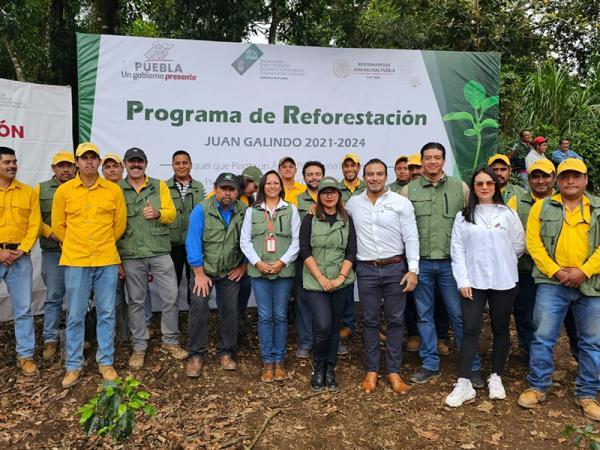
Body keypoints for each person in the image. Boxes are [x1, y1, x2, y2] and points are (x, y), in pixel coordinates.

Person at [518, 159, 600, 421]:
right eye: (565, 176)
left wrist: (583, 271)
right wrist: (556, 271)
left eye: (576, 176)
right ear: (558, 180)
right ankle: (537, 386)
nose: (570, 181)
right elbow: (533, 243)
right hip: (552, 283)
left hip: (590, 283)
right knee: (543, 336)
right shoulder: (542, 206)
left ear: (586, 179)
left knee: (592, 341)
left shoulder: (597, 207)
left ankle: (587, 393)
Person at [401, 142, 483, 386]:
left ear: (444, 161)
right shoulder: (408, 191)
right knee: (424, 315)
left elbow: (473, 221)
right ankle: (430, 364)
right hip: (421, 265)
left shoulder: (460, 187)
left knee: (458, 314)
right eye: (428, 157)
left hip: (452, 265)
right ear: (422, 161)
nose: (433, 161)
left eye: (437, 157)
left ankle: (471, 366)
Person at [445, 168, 525, 407]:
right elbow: (457, 251)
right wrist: (463, 280)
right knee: (470, 329)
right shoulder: (464, 216)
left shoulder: (508, 214)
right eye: (479, 183)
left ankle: (496, 376)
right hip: (474, 282)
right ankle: (464, 382)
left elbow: (518, 245)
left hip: (504, 280)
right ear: (473, 187)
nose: (484, 187)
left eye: (489, 183)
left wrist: (502, 261)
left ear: (496, 186)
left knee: (501, 328)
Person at [51, 142, 127, 387]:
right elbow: (58, 225)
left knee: (107, 313)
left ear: (99, 162)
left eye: (94, 158)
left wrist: (102, 243)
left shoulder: (113, 191)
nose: (89, 162)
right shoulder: (64, 191)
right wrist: (77, 244)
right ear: (77, 162)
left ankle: (105, 362)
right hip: (76, 260)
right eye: (85, 158)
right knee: (75, 314)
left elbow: (119, 224)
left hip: (106, 259)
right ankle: (73, 365)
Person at [347, 158, 419, 394]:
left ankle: (394, 372)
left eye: (379, 174)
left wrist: (413, 269)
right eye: (370, 174)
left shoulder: (401, 202)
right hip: (366, 269)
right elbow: (335, 216)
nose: (374, 178)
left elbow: (411, 236)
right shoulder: (353, 203)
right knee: (369, 320)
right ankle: (371, 370)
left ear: (386, 177)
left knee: (395, 320)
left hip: (395, 268)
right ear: (364, 177)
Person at [118, 147, 188, 369]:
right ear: (125, 164)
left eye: (139, 161)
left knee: (171, 296)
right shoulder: (116, 189)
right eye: (132, 161)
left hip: (159, 251)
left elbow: (171, 213)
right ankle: (139, 346)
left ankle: (170, 341)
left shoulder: (159, 186)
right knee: (136, 301)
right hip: (131, 254)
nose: (136, 165)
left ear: (146, 164)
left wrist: (158, 213)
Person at [240, 170, 300, 383]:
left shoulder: (291, 209)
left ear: (281, 187)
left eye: (276, 183)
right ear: (262, 187)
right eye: (268, 183)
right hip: (259, 271)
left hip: (283, 271)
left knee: (280, 316)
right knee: (265, 316)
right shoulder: (252, 211)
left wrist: (282, 262)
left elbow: (297, 241)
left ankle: (279, 360)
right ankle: (267, 361)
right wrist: (258, 262)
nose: (272, 186)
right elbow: (245, 241)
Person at [185, 173, 247, 376]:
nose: (227, 193)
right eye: (223, 188)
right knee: (199, 307)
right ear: (215, 188)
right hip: (205, 270)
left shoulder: (244, 211)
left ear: (237, 192)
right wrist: (199, 273)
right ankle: (196, 355)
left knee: (230, 309)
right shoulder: (201, 209)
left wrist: (244, 266)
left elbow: (250, 240)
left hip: (230, 270)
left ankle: (226, 352)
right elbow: (193, 242)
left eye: (231, 189)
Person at [300, 176, 356, 391]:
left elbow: (351, 251)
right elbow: (305, 249)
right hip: (316, 282)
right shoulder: (310, 218)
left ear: (339, 195)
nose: (329, 195)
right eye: (325, 192)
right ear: (319, 196)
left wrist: (340, 278)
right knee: (322, 326)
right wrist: (321, 278)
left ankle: (329, 368)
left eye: (333, 191)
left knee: (334, 326)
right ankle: (318, 365)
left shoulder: (347, 219)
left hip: (340, 281)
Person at [0, 146, 41, 376]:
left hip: (20, 258)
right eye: (7, 162)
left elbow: (34, 224)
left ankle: (25, 356)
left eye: (14, 162)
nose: (12, 166)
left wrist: (23, 249)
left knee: (23, 309)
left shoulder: (28, 192)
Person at [36, 151, 76, 360]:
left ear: (75, 167)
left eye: (69, 165)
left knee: (77, 297)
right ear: (53, 168)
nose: (66, 170)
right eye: (61, 166)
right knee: (53, 297)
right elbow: (35, 218)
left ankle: (74, 338)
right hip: (54, 251)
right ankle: (50, 339)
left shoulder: (80, 188)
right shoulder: (41, 189)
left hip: (78, 252)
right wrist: (52, 234)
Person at [166, 150, 206, 304]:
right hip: (172, 244)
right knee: (171, 284)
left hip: (194, 244)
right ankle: (172, 316)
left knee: (194, 282)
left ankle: (193, 315)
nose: (181, 166)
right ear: (172, 165)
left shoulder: (199, 187)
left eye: (184, 163)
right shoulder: (164, 187)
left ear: (190, 165)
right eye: (177, 163)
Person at [294, 161, 325, 357]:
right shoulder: (296, 200)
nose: (314, 177)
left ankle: (329, 340)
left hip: (328, 259)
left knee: (328, 302)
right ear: (304, 177)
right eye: (310, 174)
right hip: (304, 259)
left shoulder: (332, 197)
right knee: (303, 301)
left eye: (317, 174)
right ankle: (305, 341)